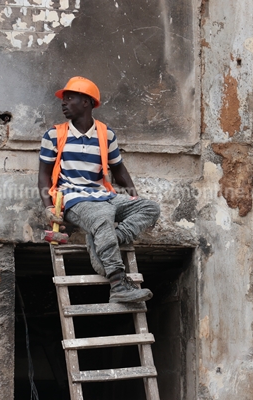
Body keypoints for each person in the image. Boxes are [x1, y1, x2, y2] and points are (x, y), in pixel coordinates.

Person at [38, 76, 160, 303]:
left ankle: (104, 241)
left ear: (86, 102)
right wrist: (48, 208)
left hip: (104, 196)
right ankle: (118, 284)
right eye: (63, 99)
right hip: (73, 198)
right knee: (102, 218)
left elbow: (119, 169)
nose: (63, 103)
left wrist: (133, 196)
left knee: (149, 207)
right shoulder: (53, 135)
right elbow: (43, 175)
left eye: (69, 98)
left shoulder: (106, 134)